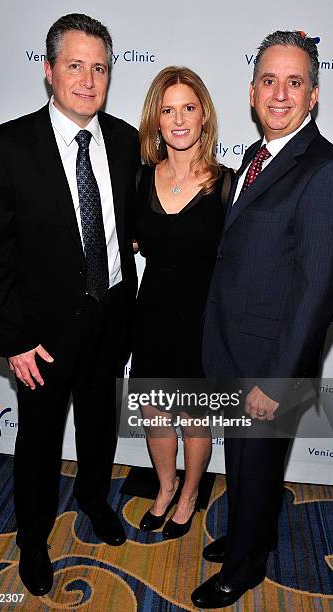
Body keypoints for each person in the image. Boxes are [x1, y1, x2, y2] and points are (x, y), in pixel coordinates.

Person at [191, 30, 333, 608]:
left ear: (314, 95)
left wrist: (277, 380)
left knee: (258, 461)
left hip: (270, 363)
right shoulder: (256, 155)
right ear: (252, 90)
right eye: (270, 80)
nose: (281, 93)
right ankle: (251, 536)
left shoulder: (329, 173)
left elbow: (319, 292)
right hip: (235, 346)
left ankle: (243, 570)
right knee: (245, 461)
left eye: (295, 82)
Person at [0, 13, 139, 597]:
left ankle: (94, 501)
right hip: (40, 335)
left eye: (99, 68)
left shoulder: (123, 140)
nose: (89, 80)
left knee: (99, 428)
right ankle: (33, 540)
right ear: (48, 71)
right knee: (37, 444)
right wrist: (12, 339)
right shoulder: (6, 146)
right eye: (75, 66)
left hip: (112, 313)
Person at [130, 67, 233, 540]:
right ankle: (166, 487)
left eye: (188, 108)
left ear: (204, 117)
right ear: (156, 119)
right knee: (155, 416)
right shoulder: (139, 180)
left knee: (194, 420)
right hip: (151, 314)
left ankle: (190, 493)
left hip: (202, 320)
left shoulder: (228, 185)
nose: (178, 119)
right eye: (167, 109)